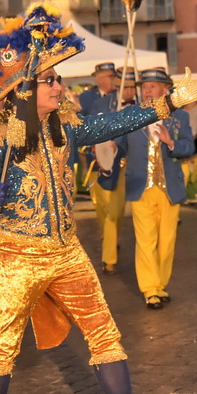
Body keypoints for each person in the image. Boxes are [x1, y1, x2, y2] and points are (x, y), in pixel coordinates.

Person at [0, 6, 197, 394]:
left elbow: (118, 123)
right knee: (0, 348)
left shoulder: (67, 126)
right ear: (24, 88)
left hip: (67, 253)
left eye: (58, 79)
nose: (59, 86)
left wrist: (171, 102)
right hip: (16, 257)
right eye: (50, 80)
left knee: (105, 335)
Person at [115, 68, 195, 308]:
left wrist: (172, 143)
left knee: (167, 241)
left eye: (152, 86)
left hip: (169, 187)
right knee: (145, 240)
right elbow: (119, 145)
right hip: (140, 186)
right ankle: (150, 289)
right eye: (145, 87)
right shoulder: (130, 115)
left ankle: (161, 283)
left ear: (165, 89)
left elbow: (190, 148)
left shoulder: (180, 117)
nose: (147, 90)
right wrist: (109, 149)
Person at [78, 62, 125, 272]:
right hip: (94, 161)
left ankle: (109, 254)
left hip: (119, 162)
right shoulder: (87, 99)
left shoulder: (122, 99)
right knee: (101, 209)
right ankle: (109, 239)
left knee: (114, 211)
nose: (107, 80)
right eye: (103, 76)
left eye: (109, 76)